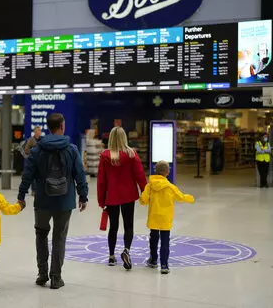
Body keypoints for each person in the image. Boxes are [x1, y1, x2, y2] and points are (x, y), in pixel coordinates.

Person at [18, 113, 88, 290]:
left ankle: (42, 275)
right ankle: (56, 278)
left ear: (48, 128)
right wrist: (83, 195)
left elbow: (27, 175)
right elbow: (80, 174)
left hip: (42, 201)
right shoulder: (71, 149)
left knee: (41, 235)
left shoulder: (37, 150)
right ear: (62, 127)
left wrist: (21, 195)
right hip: (65, 202)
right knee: (59, 238)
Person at [97, 126, 147, 269]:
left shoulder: (105, 156)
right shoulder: (132, 154)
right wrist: (145, 191)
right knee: (128, 225)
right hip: (128, 194)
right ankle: (126, 250)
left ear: (110, 138)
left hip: (111, 195)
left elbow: (101, 181)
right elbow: (140, 176)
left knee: (113, 226)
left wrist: (101, 200)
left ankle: (111, 256)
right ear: (125, 138)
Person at [140, 161, 194, 274]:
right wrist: (190, 198)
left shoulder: (149, 185)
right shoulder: (170, 187)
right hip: (165, 219)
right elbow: (181, 197)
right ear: (167, 172)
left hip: (154, 217)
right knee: (165, 241)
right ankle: (164, 265)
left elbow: (143, 200)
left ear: (156, 171)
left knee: (153, 239)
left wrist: (147, 200)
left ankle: (153, 260)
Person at [24, 126, 42, 196]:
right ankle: (34, 190)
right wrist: (33, 152)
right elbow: (26, 150)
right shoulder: (31, 140)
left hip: (40, 161)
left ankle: (39, 189)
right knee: (33, 177)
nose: (39, 132)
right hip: (33, 161)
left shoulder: (42, 140)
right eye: (38, 131)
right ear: (35, 132)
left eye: (40, 131)